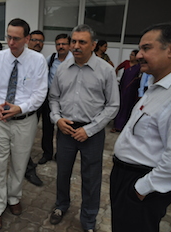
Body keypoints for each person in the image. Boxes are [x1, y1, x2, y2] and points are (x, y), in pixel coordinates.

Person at [48, 24, 119, 232]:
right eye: (74, 42)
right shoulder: (62, 68)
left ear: (93, 45)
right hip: (65, 129)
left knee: (91, 178)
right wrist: (57, 119)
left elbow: (113, 105)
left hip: (92, 132)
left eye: (82, 42)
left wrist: (90, 129)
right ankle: (61, 206)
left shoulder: (105, 70)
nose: (76, 46)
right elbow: (54, 98)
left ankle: (88, 220)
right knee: (62, 173)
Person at [0, 18, 47, 230]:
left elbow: (40, 93)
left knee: (19, 163)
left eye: (16, 38)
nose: (11, 42)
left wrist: (21, 108)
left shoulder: (38, 61)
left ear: (27, 38)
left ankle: (14, 198)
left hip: (24, 121)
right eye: (8, 37)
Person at [110, 23, 171, 232]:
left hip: (143, 184)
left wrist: (141, 189)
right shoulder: (156, 86)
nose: (139, 55)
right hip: (127, 177)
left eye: (146, 48)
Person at [37, 33, 73, 165]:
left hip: (67, 100)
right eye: (58, 44)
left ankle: (61, 154)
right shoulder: (51, 59)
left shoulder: (74, 60)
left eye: (64, 44)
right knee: (47, 127)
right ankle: (47, 153)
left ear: (69, 45)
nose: (61, 47)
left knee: (64, 129)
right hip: (50, 99)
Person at [23, 29, 46, 187]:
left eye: (41, 41)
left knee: (28, 138)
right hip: (17, 109)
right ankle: (27, 168)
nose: (38, 43)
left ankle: (26, 165)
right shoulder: (19, 59)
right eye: (35, 40)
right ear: (28, 40)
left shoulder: (41, 60)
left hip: (36, 104)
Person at [111, 50, 141, 133]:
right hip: (122, 87)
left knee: (127, 108)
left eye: (132, 55)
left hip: (131, 90)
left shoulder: (139, 66)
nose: (130, 56)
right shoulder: (126, 63)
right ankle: (116, 126)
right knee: (120, 106)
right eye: (130, 54)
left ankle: (123, 127)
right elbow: (117, 68)